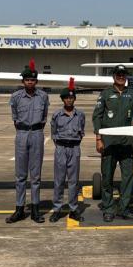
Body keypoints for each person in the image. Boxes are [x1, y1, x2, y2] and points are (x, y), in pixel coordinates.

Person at [92, 65, 133, 222]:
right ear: (114, 76)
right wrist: (98, 139)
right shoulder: (105, 94)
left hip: (126, 143)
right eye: (118, 74)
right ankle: (108, 208)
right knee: (107, 178)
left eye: (123, 74)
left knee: (128, 177)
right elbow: (97, 117)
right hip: (109, 143)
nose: (121, 77)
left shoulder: (132, 94)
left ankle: (124, 208)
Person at [6, 60, 49, 224]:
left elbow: (44, 117)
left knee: (36, 176)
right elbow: (15, 118)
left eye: (32, 80)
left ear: (36, 81)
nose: (30, 82)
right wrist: (24, 130)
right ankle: (19, 209)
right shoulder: (16, 97)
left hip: (37, 134)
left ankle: (36, 210)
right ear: (23, 81)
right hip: (22, 134)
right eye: (27, 80)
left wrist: (35, 129)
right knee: (20, 175)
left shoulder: (43, 96)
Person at [49, 78, 86, 223]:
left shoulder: (80, 115)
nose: (69, 100)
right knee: (59, 180)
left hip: (74, 148)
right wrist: (61, 145)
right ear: (63, 100)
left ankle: (73, 209)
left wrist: (73, 143)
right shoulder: (57, 115)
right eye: (66, 98)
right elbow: (54, 133)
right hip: (61, 148)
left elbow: (81, 132)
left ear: (74, 99)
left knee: (73, 181)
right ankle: (57, 209)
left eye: (71, 98)